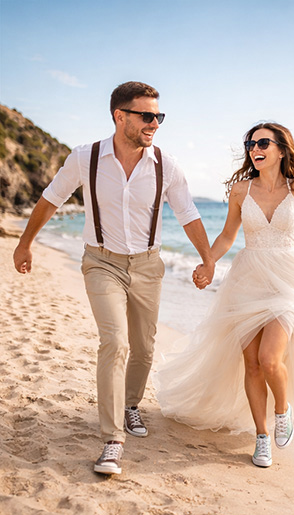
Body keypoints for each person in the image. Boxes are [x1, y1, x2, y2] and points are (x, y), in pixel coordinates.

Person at [155, 88, 294, 468]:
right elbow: (227, 235)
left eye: (262, 142)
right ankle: (261, 437)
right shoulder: (241, 190)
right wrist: (208, 262)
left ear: (280, 149)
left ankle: (283, 411)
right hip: (248, 278)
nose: (254, 148)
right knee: (251, 363)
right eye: (250, 143)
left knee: (271, 359)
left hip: (289, 280)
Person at [11, 81, 215, 476]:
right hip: (101, 262)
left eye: (159, 116)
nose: (154, 123)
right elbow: (51, 198)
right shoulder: (85, 158)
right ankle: (112, 439)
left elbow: (188, 213)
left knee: (143, 347)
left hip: (148, 266)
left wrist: (207, 259)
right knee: (115, 342)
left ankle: (130, 404)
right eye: (146, 116)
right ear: (120, 116)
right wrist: (25, 244)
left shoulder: (166, 164)